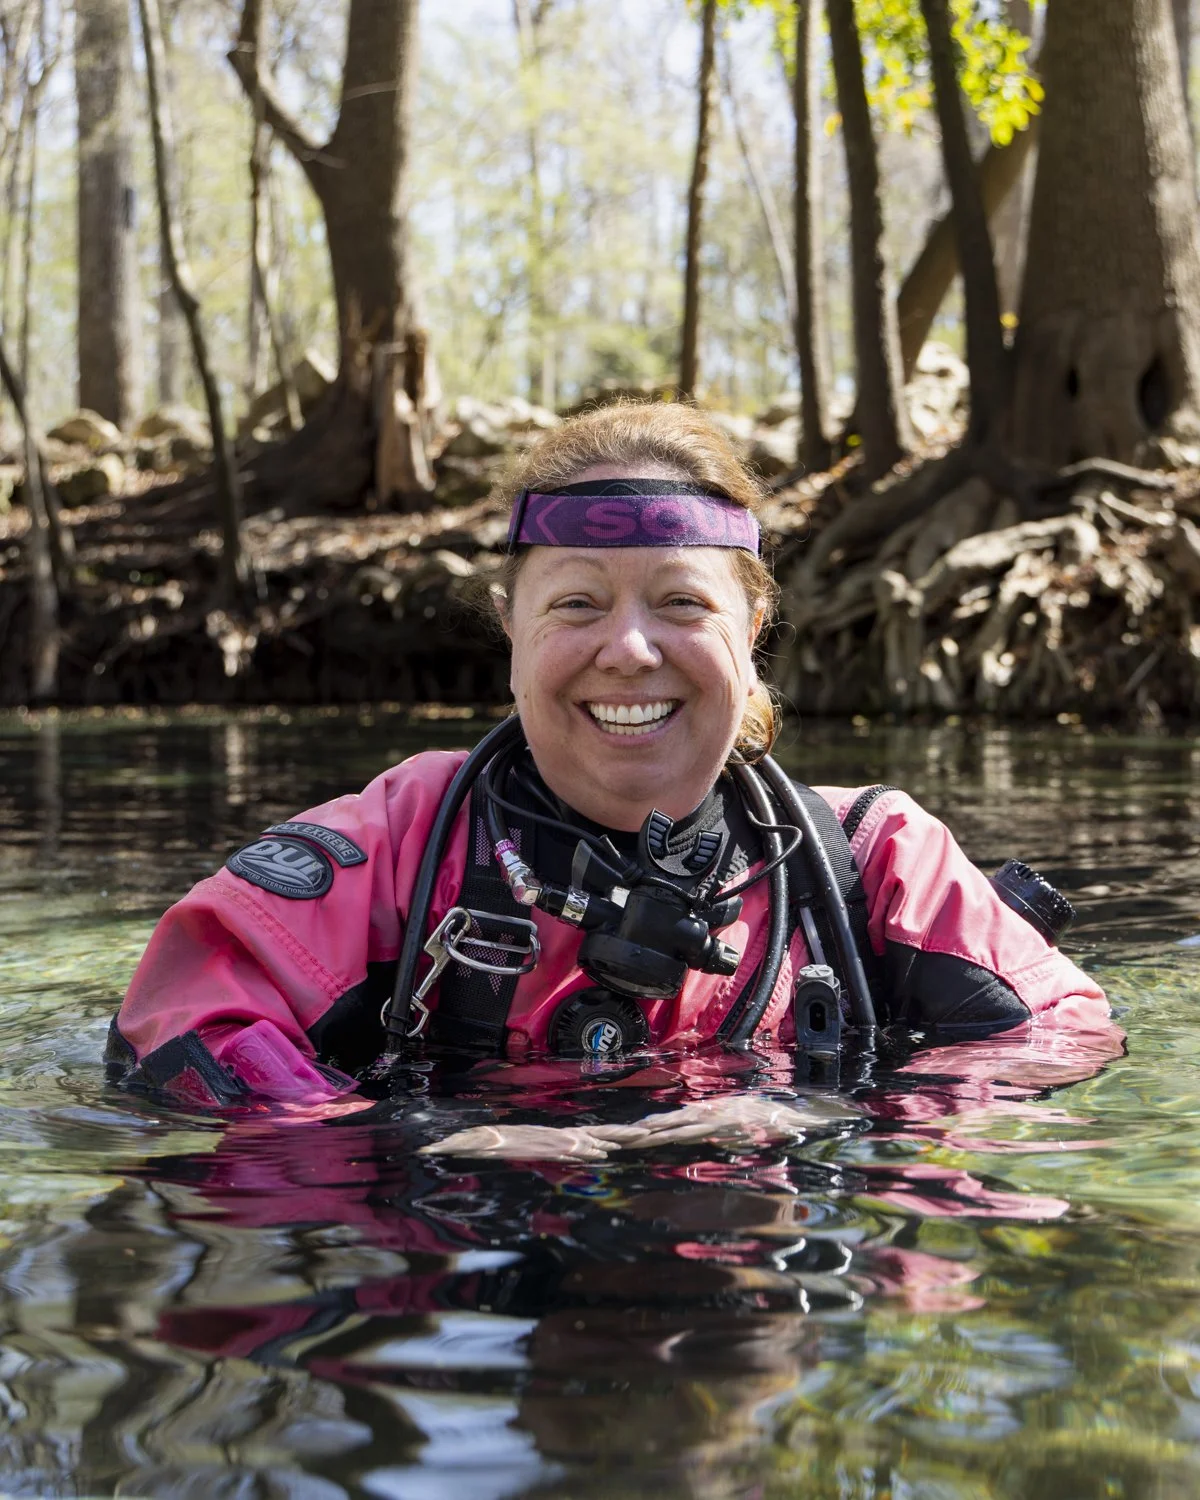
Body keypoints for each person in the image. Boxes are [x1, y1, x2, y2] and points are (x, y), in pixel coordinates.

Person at [107, 402, 1109, 1108]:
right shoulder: (401, 844)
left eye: (681, 603)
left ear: (751, 629)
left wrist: (828, 1121)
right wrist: (409, 1147)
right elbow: (175, 1023)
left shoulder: (876, 859)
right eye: (577, 603)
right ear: (511, 630)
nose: (630, 651)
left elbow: (1068, 1030)